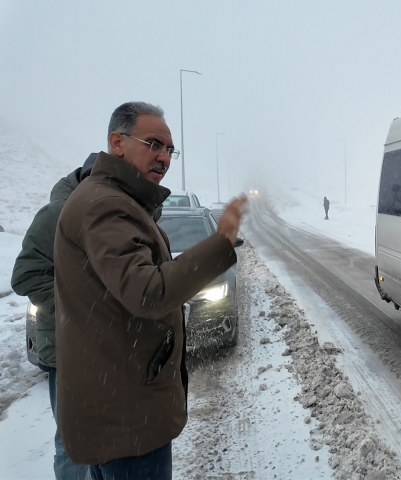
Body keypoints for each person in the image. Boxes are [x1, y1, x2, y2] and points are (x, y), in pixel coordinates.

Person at [54, 101, 247, 479]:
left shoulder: (111, 198)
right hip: (126, 418)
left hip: (115, 408)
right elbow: (149, 292)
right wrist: (221, 241)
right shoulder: (105, 206)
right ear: (117, 142)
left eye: (170, 149)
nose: (164, 157)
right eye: (154, 144)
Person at [11, 153, 97, 480]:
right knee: (74, 441)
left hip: (100, 345)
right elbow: (26, 276)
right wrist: (78, 307)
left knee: (101, 435)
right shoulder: (58, 214)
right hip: (68, 348)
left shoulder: (100, 213)